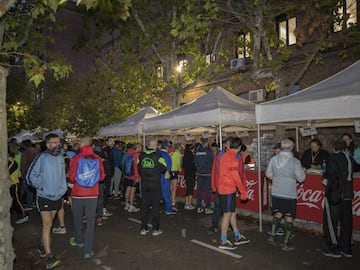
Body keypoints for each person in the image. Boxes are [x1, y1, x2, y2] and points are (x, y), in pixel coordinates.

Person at [26, 133, 67, 269]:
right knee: (48, 224)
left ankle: (42, 246)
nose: (57, 145)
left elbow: (62, 176)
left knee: (48, 225)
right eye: (54, 142)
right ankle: (49, 257)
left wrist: (63, 190)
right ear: (48, 144)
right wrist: (42, 186)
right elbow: (30, 177)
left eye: (58, 142)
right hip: (44, 196)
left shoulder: (61, 158)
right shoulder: (41, 157)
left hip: (57, 196)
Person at [68, 137, 105, 259]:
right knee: (90, 221)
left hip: (77, 193)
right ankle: (88, 251)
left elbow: (72, 178)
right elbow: (101, 177)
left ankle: (79, 241)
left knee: (77, 218)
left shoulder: (76, 158)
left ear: (82, 144)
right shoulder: (97, 158)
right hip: (92, 193)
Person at [265, 138, 305, 251]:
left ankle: (272, 236)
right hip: (289, 192)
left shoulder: (274, 159)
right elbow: (301, 178)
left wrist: (277, 178)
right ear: (291, 147)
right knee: (289, 216)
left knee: (277, 213)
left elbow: (268, 174)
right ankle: (286, 242)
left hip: (276, 191)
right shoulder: (295, 161)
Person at [322, 140, 354, 258]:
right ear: (345, 148)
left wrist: (325, 175)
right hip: (348, 194)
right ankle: (346, 248)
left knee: (331, 222)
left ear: (334, 148)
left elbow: (328, 172)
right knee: (346, 222)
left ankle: (334, 248)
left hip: (335, 194)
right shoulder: (349, 158)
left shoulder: (332, 157)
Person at [217, 137, 249, 250]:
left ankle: (237, 235)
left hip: (224, 189)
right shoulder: (233, 158)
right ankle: (223, 240)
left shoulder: (225, 155)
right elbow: (236, 177)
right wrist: (243, 191)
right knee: (227, 214)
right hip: (228, 190)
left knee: (232, 212)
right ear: (240, 147)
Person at [138, 140, 167, 236]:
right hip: (155, 184)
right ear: (155, 146)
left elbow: (138, 168)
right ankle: (156, 229)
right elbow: (164, 168)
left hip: (145, 184)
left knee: (144, 207)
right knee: (155, 207)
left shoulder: (141, 155)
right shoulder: (158, 155)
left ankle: (143, 228)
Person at [194, 137, 214, 214]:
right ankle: (207, 207)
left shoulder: (197, 151)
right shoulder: (209, 152)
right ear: (207, 142)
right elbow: (213, 161)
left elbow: (195, 161)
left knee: (199, 191)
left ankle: (199, 207)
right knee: (207, 191)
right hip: (208, 174)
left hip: (199, 173)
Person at [8, 148, 29, 225]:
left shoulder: (13, 163)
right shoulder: (7, 163)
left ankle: (24, 215)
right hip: (9, 185)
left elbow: (7, 173)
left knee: (17, 201)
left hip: (14, 184)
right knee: (13, 202)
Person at [158, 140, 176, 215]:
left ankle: (156, 208)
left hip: (156, 176)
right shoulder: (166, 156)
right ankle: (169, 209)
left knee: (156, 193)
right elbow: (168, 168)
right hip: (164, 177)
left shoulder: (157, 153)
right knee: (166, 193)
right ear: (167, 147)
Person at [123, 143, 141, 212]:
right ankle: (131, 206)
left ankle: (127, 204)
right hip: (134, 176)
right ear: (137, 148)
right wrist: (137, 177)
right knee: (132, 191)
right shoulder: (136, 155)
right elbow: (136, 167)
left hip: (127, 175)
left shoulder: (128, 154)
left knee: (127, 190)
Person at [21, 139, 38, 210]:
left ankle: (29, 204)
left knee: (28, 189)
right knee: (34, 189)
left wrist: (23, 174)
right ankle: (34, 202)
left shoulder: (26, 152)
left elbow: (23, 164)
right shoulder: (36, 151)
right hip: (36, 172)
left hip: (28, 172)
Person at [102, 137, 115, 218]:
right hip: (106, 175)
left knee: (106, 193)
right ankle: (102, 210)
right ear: (106, 142)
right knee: (105, 193)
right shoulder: (106, 150)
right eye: (110, 141)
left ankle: (103, 209)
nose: (112, 142)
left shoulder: (110, 150)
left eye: (113, 141)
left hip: (108, 175)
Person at [182, 143, 196, 210]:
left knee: (187, 189)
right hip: (191, 175)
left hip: (186, 174)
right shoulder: (192, 156)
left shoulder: (185, 156)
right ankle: (189, 204)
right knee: (190, 189)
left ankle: (186, 203)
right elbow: (194, 166)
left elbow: (183, 166)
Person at [170, 143, 182, 211]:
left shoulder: (172, 153)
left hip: (170, 171)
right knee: (174, 188)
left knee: (171, 188)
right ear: (179, 147)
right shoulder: (178, 154)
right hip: (174, 171)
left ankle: (171, 201)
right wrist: (180, 169)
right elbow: (178, 163)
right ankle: (173, 203)